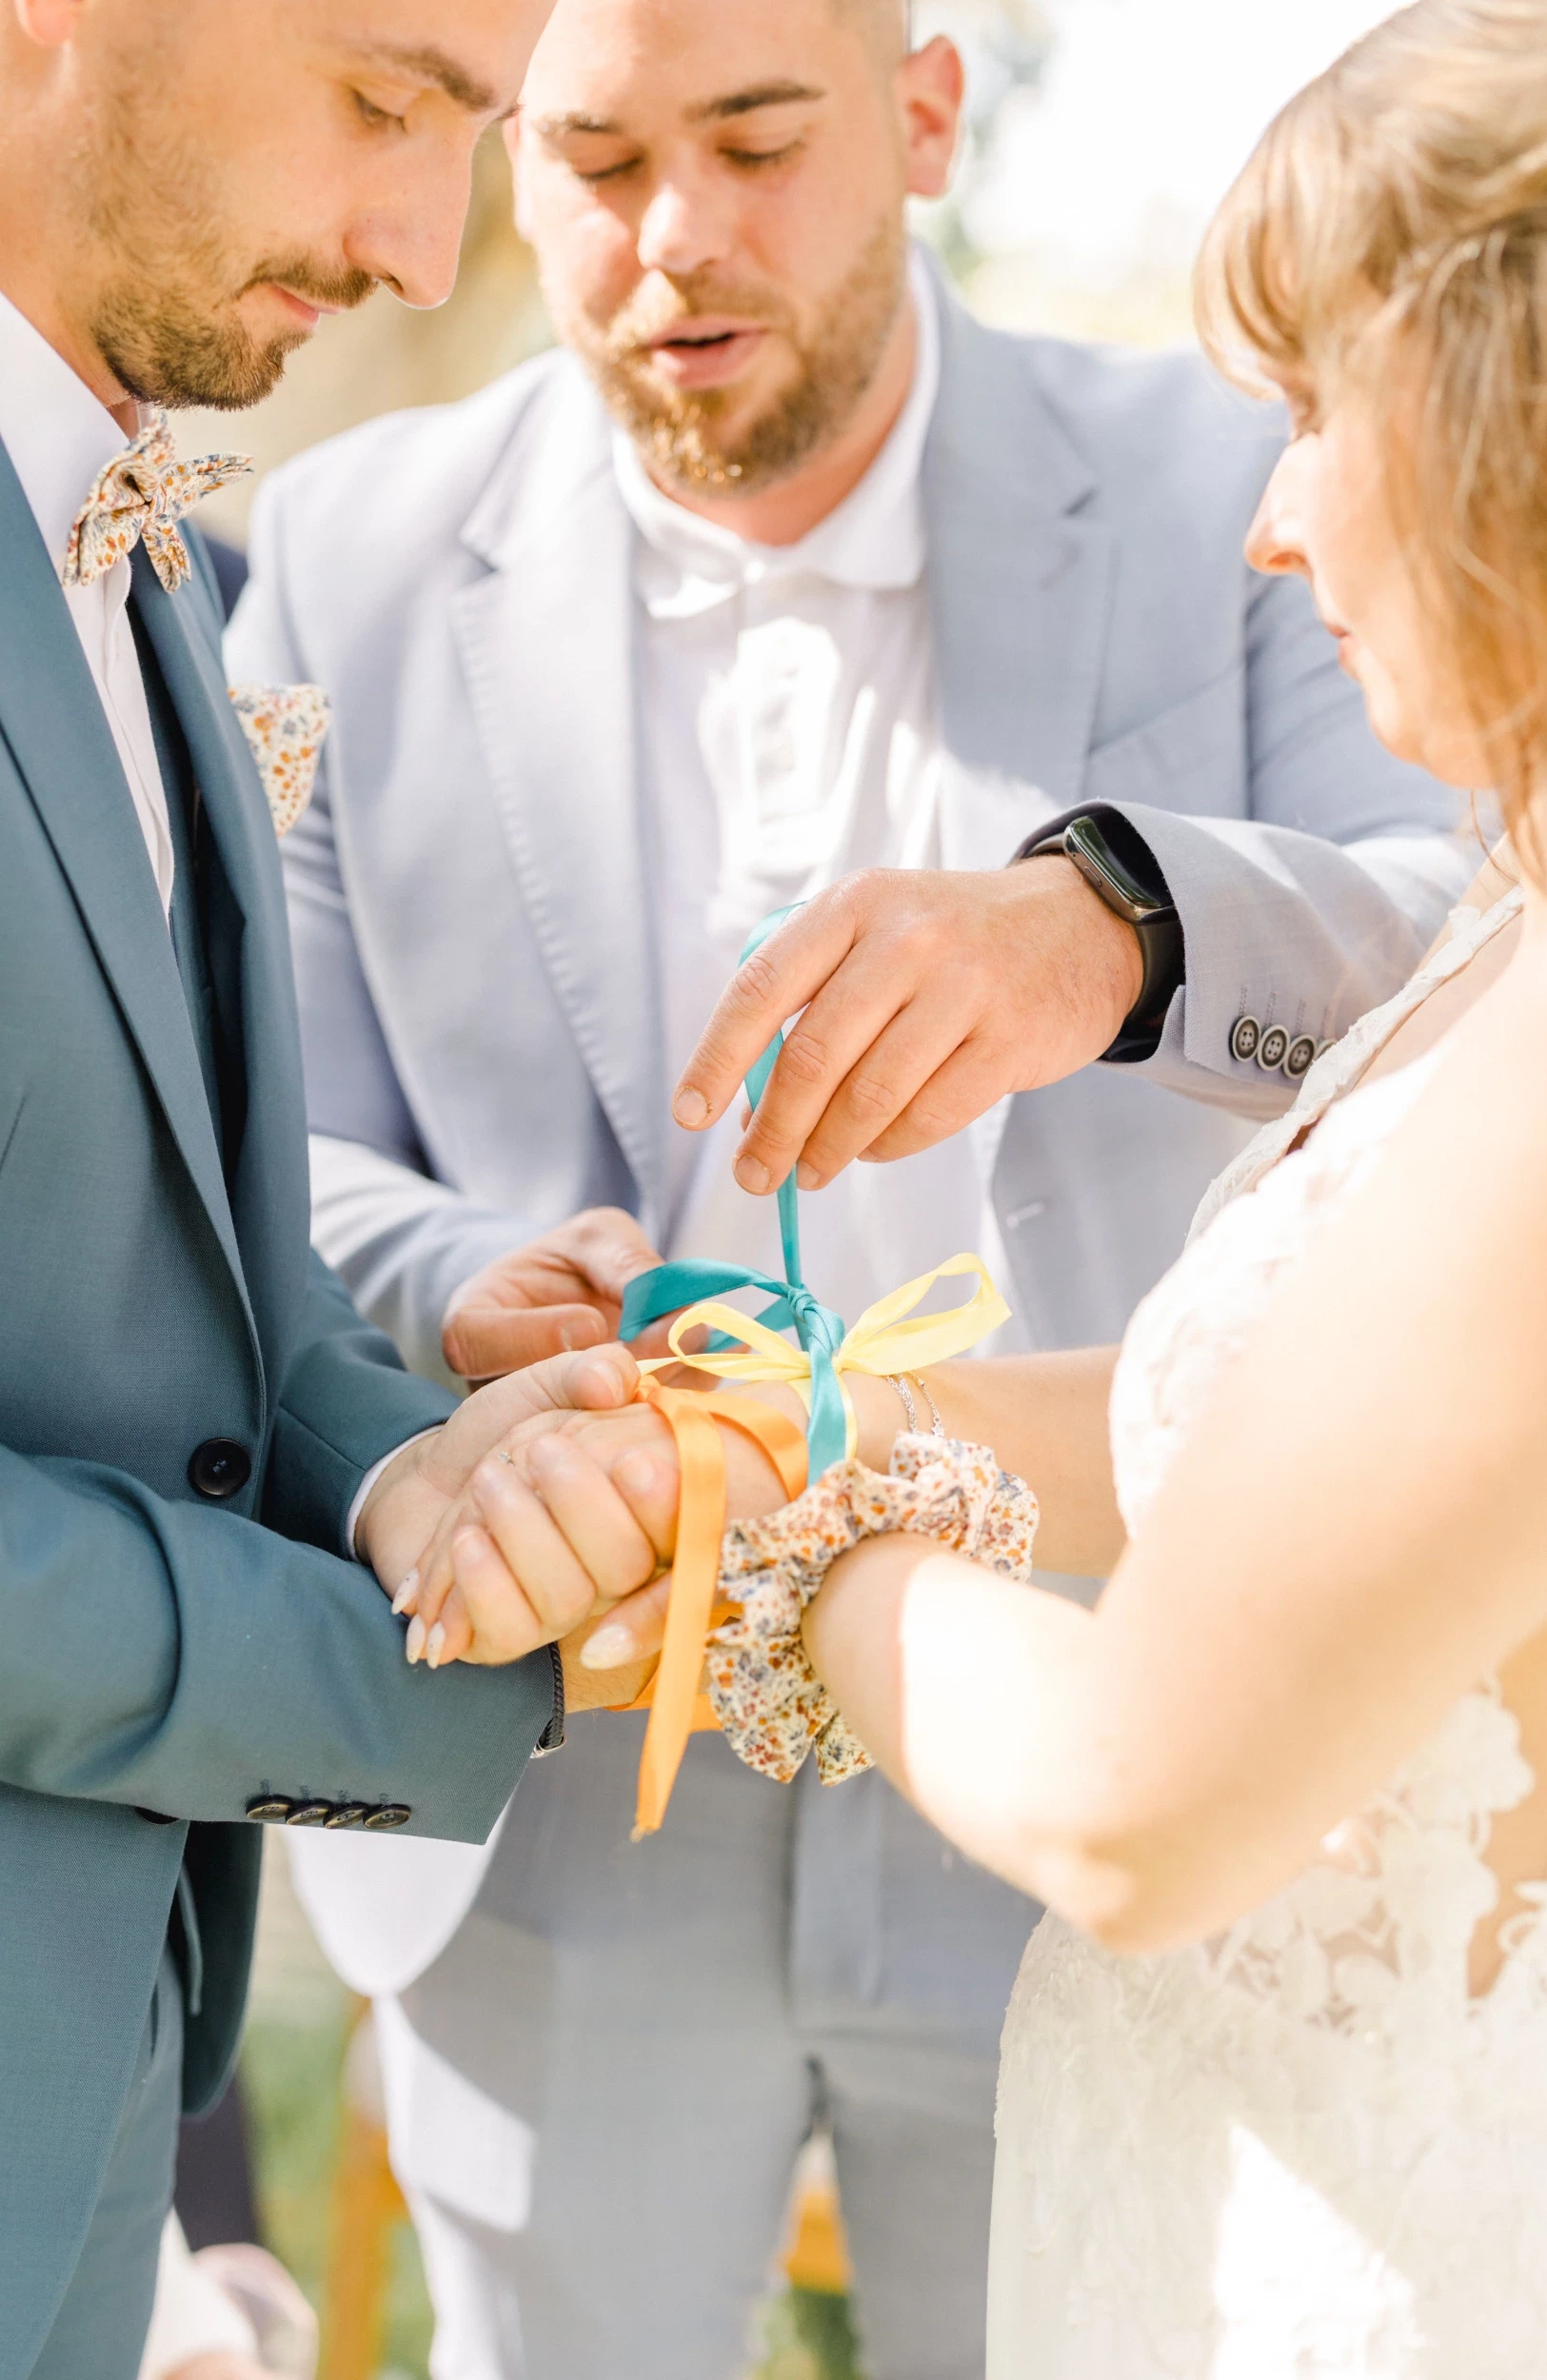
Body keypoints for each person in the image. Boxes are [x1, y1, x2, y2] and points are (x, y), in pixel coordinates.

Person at [228, 0, 1473, 2370]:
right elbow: (260, 1128)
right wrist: (462, 1264)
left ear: (920, 117)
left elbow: (1474, 915)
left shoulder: (1229, 479)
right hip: (559, 1800)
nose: (670, 240)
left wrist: (1121, 918)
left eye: (755, 139)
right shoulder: (349, 546)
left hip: (1084, 1735)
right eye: (588, 163)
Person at [0, 1, 659, 2371]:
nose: (419, 244)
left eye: (472, 134)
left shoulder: (157, 567)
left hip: (82, 2115)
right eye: (385, 100)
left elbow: (186, 1307)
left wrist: (439, 1475)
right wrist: (436, 1664)